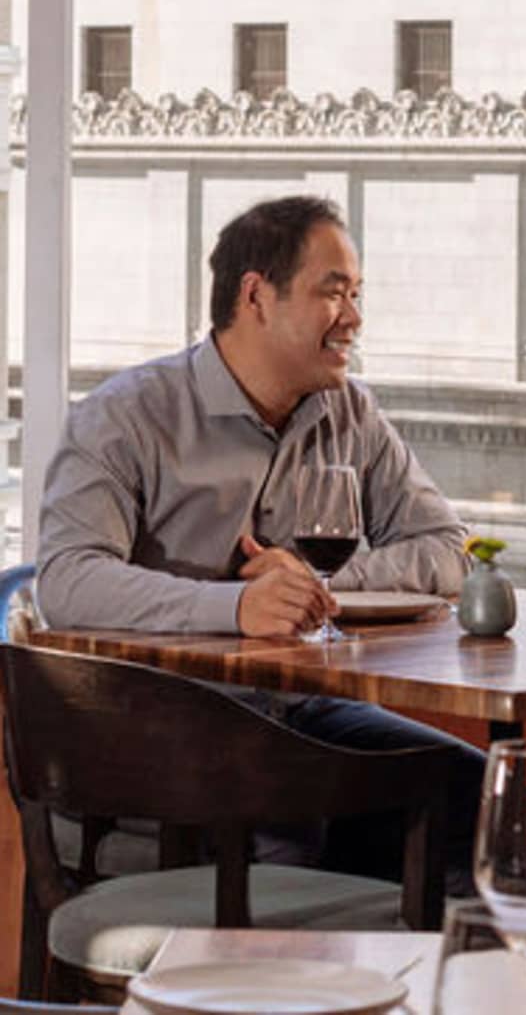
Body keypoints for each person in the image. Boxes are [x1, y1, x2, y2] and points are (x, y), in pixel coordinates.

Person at [36, 193, 484, 889]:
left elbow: (447, 550)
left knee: (472, 793)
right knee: (345, 812)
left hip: (297, 713)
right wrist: (234, 608)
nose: (355, 319)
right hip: (157, 734)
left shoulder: (349, 410)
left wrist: (315, 586)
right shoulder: (126, 417)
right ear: (256, 296)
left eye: (357, 294)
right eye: (333, 293)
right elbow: (67, 582)